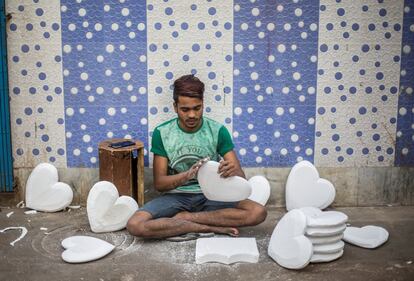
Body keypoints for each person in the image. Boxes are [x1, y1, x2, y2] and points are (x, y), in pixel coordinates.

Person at [127, 74, 267, 239]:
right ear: (175, 107)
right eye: (185, 109)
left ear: (203, 105)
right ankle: (207, 228)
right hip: (176, 197)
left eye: (197, 108)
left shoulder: (217, 131)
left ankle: (186, 220)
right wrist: (187, 175)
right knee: (135, 225)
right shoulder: (162, 133)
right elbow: (160, 184)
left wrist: (231, 170)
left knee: (258, 212)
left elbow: (241, 178)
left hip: (212, 195)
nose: (192, 115)